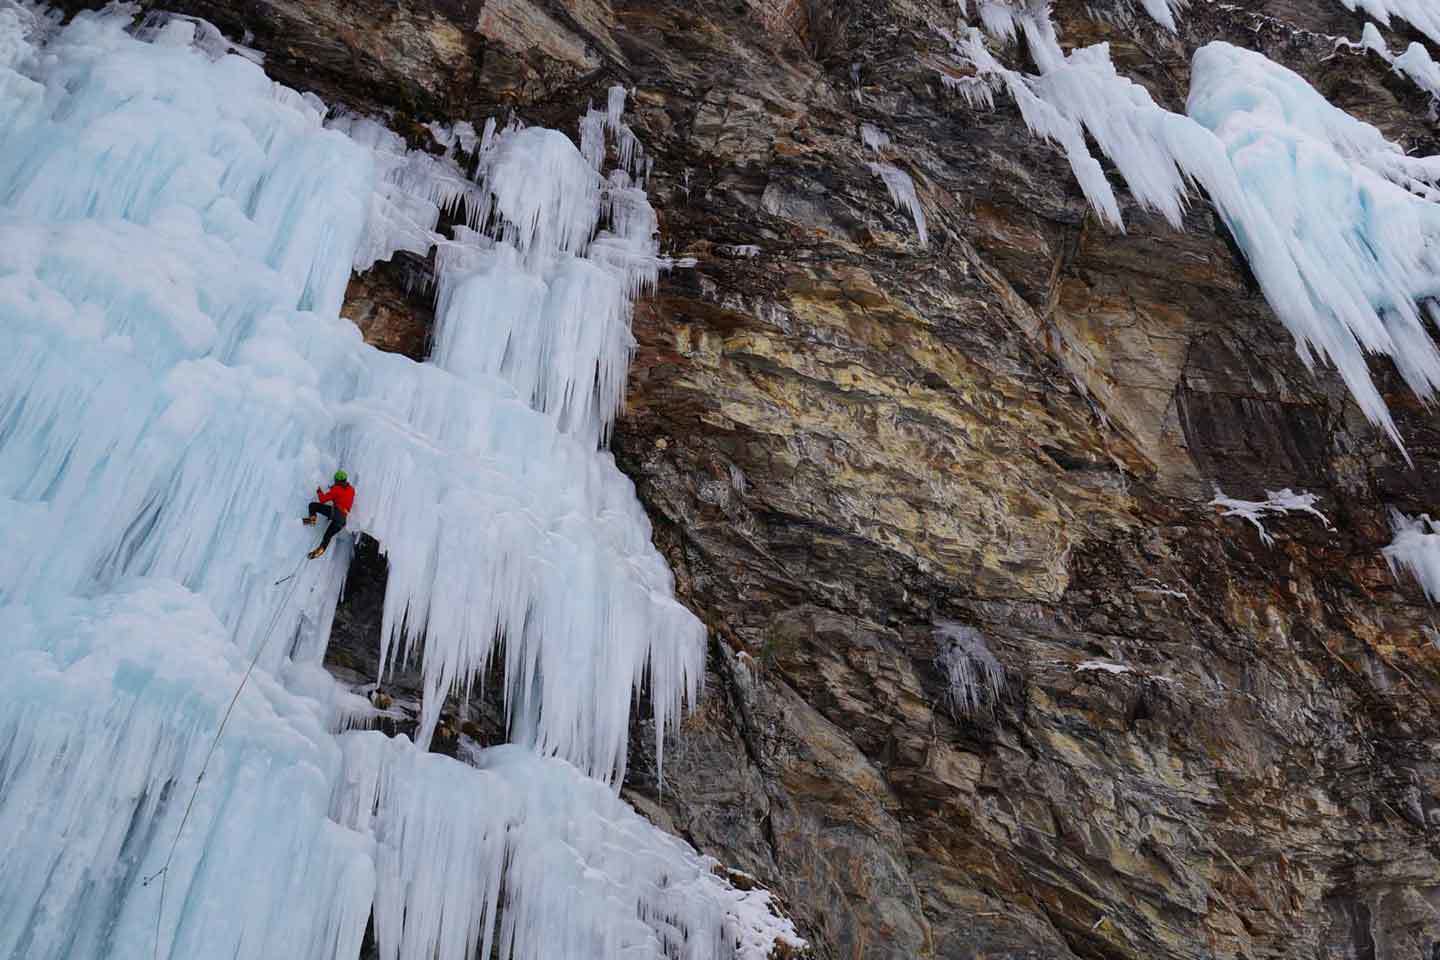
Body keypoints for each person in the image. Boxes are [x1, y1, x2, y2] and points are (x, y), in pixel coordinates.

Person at [302, 470, 355, 559]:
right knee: (327, 536)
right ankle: (319, 551)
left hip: (336, 513)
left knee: (313, 506)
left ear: (337, 481)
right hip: (343, 520)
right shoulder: (351, 489)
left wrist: (318, 490)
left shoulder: (336, 489)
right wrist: (333, 489)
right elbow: (343, 495)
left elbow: (322, 499)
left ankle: (311, 520)